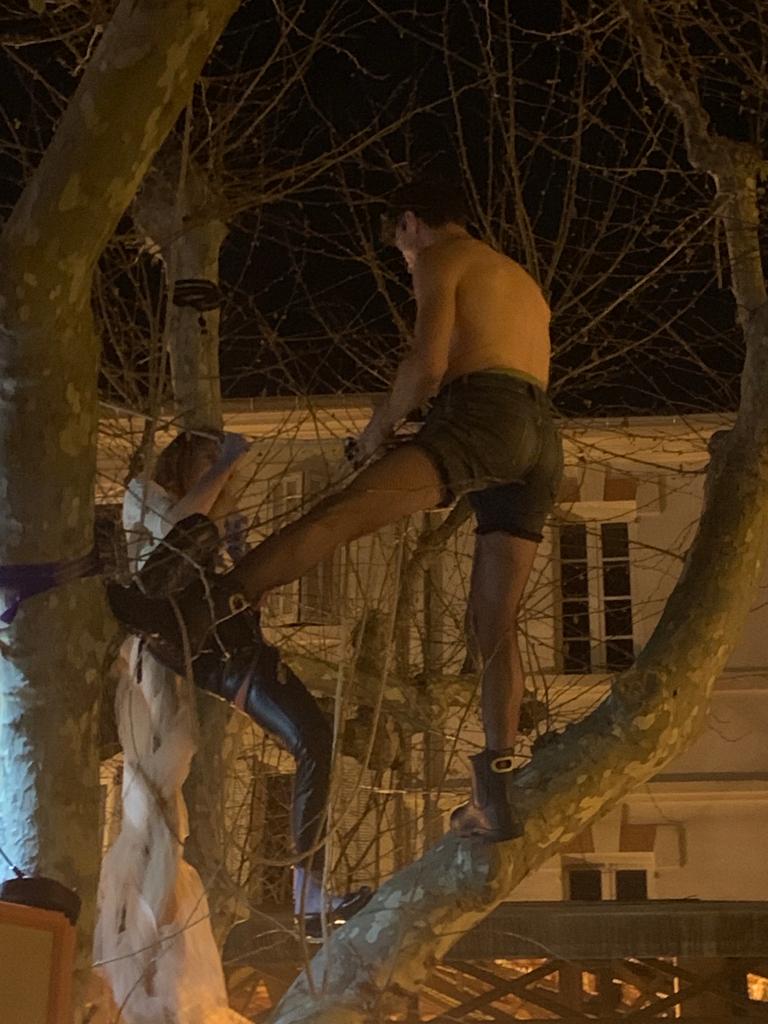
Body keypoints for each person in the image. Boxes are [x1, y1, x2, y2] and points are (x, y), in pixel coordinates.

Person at [109, 178, 563, 844]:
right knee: (496, 621)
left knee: (340, 514)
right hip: (541, 438)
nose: (404, 260)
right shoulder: (519, 280)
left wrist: (375, 434)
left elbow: (426, 365)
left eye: (399, 248)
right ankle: (495, 788)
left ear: (409, 223)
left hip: (484, 417)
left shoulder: (442, 257)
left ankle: (203, 609)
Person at [118, 429, 369, 938]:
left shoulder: (204, 528)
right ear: (183, 458)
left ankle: (309, 889)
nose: (220, 472)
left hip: (228, 643)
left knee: (315, 739)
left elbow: (212, 548)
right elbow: (179, 527)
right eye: (208, 459)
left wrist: (241, 556)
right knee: (312, 738)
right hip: (192, 635)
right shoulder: (143, 494)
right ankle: (308, 891)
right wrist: (224, 468)